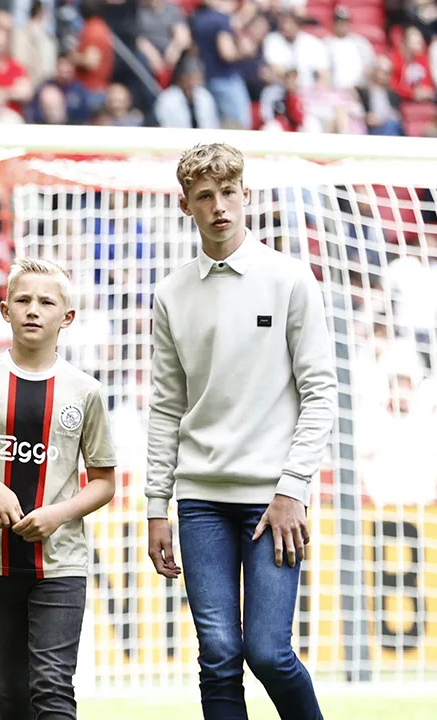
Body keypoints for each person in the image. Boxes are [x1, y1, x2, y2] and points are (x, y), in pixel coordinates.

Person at [146, 143, 336, 719]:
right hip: (200, 500)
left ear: (245, 195)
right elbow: (164, 407)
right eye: (205, 196)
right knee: (219, 654)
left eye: (228, 193)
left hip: (273, 499)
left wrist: (292, 488)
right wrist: (157, 505)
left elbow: (321, 391)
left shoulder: (289, 279)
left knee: (269, 652)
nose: (219, 206)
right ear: (187, 206)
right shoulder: (170, 294)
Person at [0, 257, 117, 720]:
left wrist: (59, 513)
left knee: (51, 687)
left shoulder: (84, 390)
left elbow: (105, 481)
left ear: (66, 317)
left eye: (46, 301)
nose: (33, 309)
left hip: (61, 560)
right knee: (11, 693)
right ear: (5, 310)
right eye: (23, 300)